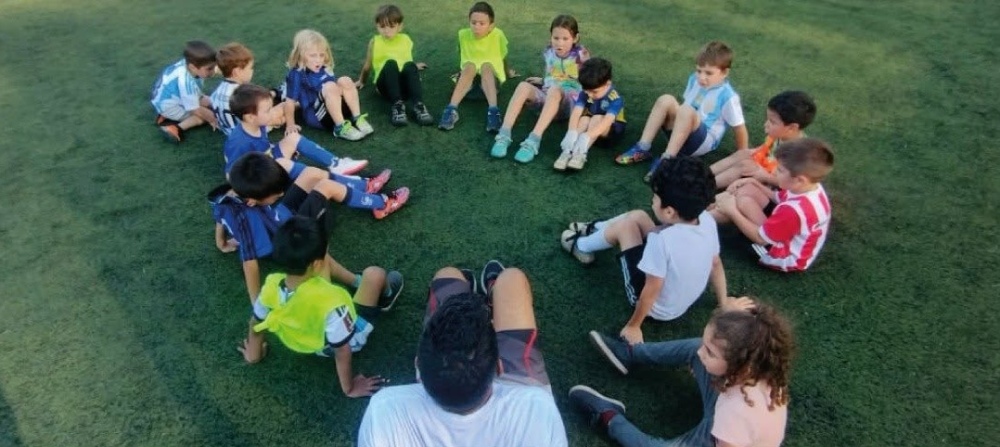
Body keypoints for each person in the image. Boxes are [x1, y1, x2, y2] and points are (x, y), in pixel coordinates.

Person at [357, 261, 568, 447]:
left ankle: (465, 288)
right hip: (520, 389)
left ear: (418, 366)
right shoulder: (538, 409)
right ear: (499, 367)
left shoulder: (383, 410)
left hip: (509, 395)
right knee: (511, 279)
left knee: (447, 275)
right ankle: (491, 288)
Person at [570, 299, 795, 447]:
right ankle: (629, 354)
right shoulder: (759, 363)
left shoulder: (737, 412)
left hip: (725, 436)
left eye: (710, 353)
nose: (700, 352)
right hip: (729, 415)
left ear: (740, 364)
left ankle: (609, 418)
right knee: (696, 350)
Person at [560, 156, 726, 344]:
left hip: (658, 309)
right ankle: (596, 229)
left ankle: (580, 246)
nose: (652, 202)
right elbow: (715, 262)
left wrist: (634, 326)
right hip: (678, 301)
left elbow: (651, 289)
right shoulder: (706, 220)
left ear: (670, 211)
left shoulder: (662, 241)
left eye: (655, 199)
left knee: (626, 227)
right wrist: (724, 302)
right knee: (639, 215)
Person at [208, 152, 409, 303]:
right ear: (251, 201)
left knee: (312, 173)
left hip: (278, 217)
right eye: (276, 193)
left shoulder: (225, 195)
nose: (280, 194)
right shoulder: (247, 218)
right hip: (285, 235)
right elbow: (249, 262)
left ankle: (363, 187)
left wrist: (222, 243)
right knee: (326, 189)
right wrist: (257, 304)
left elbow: (219, 216)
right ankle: (382, 204)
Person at [239, 215, 403, 398]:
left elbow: (256, 321)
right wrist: (349, 388)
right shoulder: (331, 301)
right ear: (316, 264)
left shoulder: (271, 284)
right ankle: (387, 297)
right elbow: (342, 349)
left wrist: (254, 354)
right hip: (335, 343)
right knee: (374, 274)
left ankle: (356, 281)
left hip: (302, 339)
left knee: (331, 270)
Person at [614, 41, 748, 183]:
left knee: (685, 110)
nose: (702, 77)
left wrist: (742, 155)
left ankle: (667, 161)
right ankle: (642, 148)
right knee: (666, 99)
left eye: (709, 73)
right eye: (699, 70)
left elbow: (739, 128)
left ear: (725, 72)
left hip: (702, 141)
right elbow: (684, 107)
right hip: (681, 130)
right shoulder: (694, 80)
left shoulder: (728, 96)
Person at [710, 138, 834, 272]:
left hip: (780, 255)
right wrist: (753, 182)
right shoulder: (808, 185)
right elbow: (778, 197)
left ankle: (696, 218)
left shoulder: (795, 211)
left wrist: (731, 211)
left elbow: (761, 239)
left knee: (735, 208)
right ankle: (703, 211)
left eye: (780, 170)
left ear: (799, 179)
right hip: (784, 231)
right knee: (746, 192)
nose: (774, 173)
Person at [489, 14, 589, 163]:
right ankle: (504, 135)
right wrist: (543, 81)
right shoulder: (548, 51)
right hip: (547, 98)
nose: (559, 43)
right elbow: (553, 75)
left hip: (569, 104)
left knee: (555, 90)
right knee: (523, 86)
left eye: (565, 39)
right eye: (556, 38)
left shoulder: (581, 54)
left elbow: (589, 80)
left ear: (575, 38)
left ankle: (533, 141)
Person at [224, 84, 370, 176]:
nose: (271, 112)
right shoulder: (238, 142)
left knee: (293, 137)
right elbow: (231, 175)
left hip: (266, 160)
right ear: (250, 117)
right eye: (267, 110)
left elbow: (262, 148)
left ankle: (336, 164)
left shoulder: (257, 123)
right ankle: (348, 183)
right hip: (261, 176)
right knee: (306, 172)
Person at [438, 1, 517, 132]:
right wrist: (460, 73)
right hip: (467, 88)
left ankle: (493, 112)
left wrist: (507, 72)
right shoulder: (462, 34)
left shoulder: (498, 35)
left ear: (491, 25)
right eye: (473, 23)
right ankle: (451, 110)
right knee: (470, 66)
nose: (476, 27)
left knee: (486, 66)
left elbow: (503, 56)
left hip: (489, 87)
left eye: (482, 24)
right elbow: (462, 55)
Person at [710, 91, 816, 189]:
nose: (766, 125)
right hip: (765, 166)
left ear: (792, 128)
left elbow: (791, 184)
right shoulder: (781, 135)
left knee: (745, 165)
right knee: (743, 153)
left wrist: (764, 176)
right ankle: (705, 174)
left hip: (772, 184)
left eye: (772, 122)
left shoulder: (800, 154)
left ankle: (706, 186)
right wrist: (750, 153)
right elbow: (765, 149)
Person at [282, 29, 373, 141]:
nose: (318, 60)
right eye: (313, 56)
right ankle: (340, 128)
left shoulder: (323, 67)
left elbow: (334, 91)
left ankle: (357, 118)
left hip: (336, 110)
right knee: (330, 86)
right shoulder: (296, 73)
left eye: (321, 55)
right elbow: (290, 102)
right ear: (301, 54)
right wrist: (290, 124)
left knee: (345, 80)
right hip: (317, 116)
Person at [355, 4, 434, 127]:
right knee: (390, 63)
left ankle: (419, 106)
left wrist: (414, 66)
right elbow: (367, 65)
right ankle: (397, 107)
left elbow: (406, 59)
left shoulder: (406, 40)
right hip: (386, 87)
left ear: (400, 26)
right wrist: (361, 81)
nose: (386, 31)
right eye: (382, 27)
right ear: (377, 26)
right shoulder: (375, 42)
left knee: (409, 65)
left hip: (404, 88)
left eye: (391, 27)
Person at [554, 57, 626, 171]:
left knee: (596, 118)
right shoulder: (586, 92)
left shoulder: (615, 98)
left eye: (594, 91)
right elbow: (576, 111)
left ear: (607, 83)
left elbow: (607, 120)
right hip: (589, 126)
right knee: (584, 119)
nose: (589, 95)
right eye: (586, 90)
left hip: (609, 133)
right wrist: (571, 131)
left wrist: (587, 136)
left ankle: (580, 153)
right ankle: (567, 151)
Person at [209, 42, 285, 137]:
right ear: (237, 72)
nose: (252, 71)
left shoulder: (218, 90)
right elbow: (255, 114)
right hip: (248, 133)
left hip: (229, 131)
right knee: (284, 107)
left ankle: (277, 95)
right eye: (250, 68)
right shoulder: (241, 92)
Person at [150, 40, 219, 142]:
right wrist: (213, 119)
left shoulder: (190, 65)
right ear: (193, 67)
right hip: (169, 106)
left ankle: (166, 115)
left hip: (169, 98)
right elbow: (195, 109)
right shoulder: (186, 82)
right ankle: (175, 128)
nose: (213, 71)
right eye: (209, 69)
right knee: (201, 118)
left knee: (210, 101)